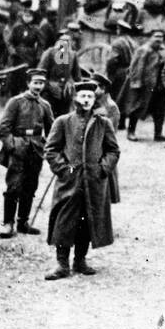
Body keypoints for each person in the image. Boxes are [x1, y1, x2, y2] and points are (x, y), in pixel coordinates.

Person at [44, 79, 119, 279]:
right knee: (64, 220)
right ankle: (62, 264)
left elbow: (113, 150)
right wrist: (64, 169)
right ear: (76, 98)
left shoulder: (103, 123)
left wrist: (102, 169)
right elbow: (51, 150)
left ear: (95, 99)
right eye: (82, 96)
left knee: (87, 221)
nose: (86, 100)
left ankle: (80, 260)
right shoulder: (63, 121)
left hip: (93, 182)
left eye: (90, 96)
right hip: (69, 181)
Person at [0, 67, 54, 237]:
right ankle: (8, 223)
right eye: (35, 82)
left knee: (30, 186)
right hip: (18, 148)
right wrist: (12, 146)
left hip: (36, 150)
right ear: (28, 83)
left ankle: (23, 222)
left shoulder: (45, 105)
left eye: (41, 83)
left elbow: (52, 130)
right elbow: (3, 127)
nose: (38, 86)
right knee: (14, 186)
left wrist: (49, 147)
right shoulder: (16, 102)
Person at [121, 30, 165, 141]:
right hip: (145, 85)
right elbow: (136, 67)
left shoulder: (163, 50)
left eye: (161, 37)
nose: (159, 39)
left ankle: (158, 134)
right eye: (156, 36)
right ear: (151, 37)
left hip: (159, 86)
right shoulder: (143, 50)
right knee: (136, 108)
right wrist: (137, 83)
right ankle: (131, 132)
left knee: (159, 110)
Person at [38, 24, 84, 117]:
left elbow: (77, 76)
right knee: (49, 117)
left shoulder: (72, 55)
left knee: (63, 118)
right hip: (50, 92)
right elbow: (40, 73)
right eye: (62, 41)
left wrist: (73, 84)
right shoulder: (50, 53)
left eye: (68, 41)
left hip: (66, 92)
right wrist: (48, 85)